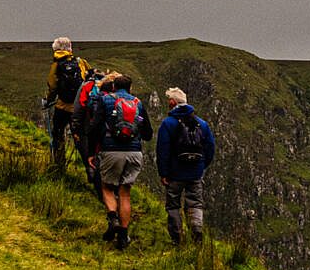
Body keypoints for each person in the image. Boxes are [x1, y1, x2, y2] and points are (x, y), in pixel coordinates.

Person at [97, 73, 153, 250]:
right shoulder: (138, 104)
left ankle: (112, 218)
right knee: (125, 193)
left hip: (111, 151)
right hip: (134, 152)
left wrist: (94, 149)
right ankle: (123, 236)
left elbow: (95, 126)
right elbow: (148, 133)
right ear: (130, 88)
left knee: (106, 187)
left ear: (113, 87)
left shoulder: (106, 101)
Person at [156, 87, 215, 246]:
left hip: (174, 174)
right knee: (195, 203)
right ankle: (196, 230)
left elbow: (163, 150)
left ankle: (177, 238)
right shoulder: (202, 124)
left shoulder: (168, 123)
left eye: (169, 100)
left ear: (173, 102)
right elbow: (210, 148)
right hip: (195, 173)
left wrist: (163, 172)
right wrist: (201, 166)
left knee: (173, 205)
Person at [45, 38, 90, 174]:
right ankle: (90, 168)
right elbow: (89, 80)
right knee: (81, 137)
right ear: (70, 48)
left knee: (58, 133)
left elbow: (52, 85)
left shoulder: (56, 65)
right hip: (79, 108)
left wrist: (48, 100)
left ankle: (59, 166)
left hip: (62, 106)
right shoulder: (80, 62)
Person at [72, 65, 109, 203]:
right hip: (107, 130)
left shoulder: (86, 86)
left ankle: (100, 193)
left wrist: (75, 129)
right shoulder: (109, 85)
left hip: (87, 128)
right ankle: (111, 194)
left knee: (91, 158)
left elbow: (79, 108)